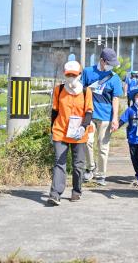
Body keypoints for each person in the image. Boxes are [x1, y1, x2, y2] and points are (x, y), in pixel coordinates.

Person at [48, 61, 93, 205]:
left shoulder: (86, 91)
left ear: (79, 75)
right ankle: (55, 194)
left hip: (78, 133)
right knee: (59, 163)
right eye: (69, 75)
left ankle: (76, 190)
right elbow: (54, 112)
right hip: (60, 131)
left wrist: (83, 127)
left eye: (74, 75)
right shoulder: (59, 90)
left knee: (78, 164)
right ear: (65, 74)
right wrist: (51, 131)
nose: (71, 77)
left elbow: (89, 112)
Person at [82, 48, 123, 186]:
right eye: (109, 63)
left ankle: (101, 174)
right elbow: (81, 91)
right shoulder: (88, 72)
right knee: (87, 142)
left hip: (106, 117)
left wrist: (115, 118)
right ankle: (90, 167)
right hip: (89, 115)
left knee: (103, 146)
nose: (111, 66)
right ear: (102, 60)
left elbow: (115, 99)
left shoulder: (115, 78)